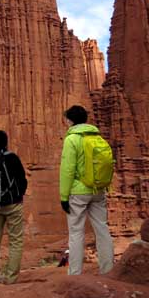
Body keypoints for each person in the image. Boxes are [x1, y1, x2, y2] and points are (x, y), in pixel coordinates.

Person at [60, 105, 114, 275]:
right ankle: (108, 269)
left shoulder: (72, 139)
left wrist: (64, 196)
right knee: (102, 229)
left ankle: (75, 273)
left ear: (70, 120)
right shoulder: (97, 137)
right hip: (98, 189)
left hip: (78, 192)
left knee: (76, 232)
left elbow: (67, 169)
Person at [0, 130, 27, 284]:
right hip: (13, 204)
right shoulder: (12, 158)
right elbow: (22, 179)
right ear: (6, 141)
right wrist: (20, 195)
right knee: (15, 240)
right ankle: (11, 278)